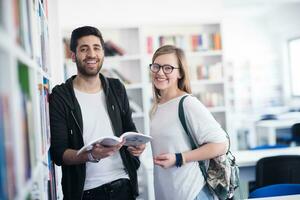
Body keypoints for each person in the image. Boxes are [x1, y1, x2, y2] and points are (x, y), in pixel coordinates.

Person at [49, 26, 145, 200]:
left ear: (103, 53)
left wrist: (137, 144)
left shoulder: (117, 87)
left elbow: (129, 127)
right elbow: (59, 154)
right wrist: (91, 155)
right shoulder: (60, 96)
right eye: (84, 49)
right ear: (73, 56)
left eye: (96, 48)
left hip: (123, 185)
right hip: (85, 192)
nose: (91, 54)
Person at [149, 45, 228, 200]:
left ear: (180, 73)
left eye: (168, 68)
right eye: (156, 66)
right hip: (168, 192)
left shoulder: (187, 103)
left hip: (191, 193)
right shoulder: (157, 107)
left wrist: (179, 158)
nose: (160, 72)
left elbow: (221, 144)